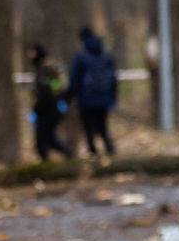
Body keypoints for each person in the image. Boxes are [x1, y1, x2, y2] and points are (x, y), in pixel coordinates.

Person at [67, 26, 118, 158]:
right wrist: (112, 99)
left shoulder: (81, 57)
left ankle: (93, 154)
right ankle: (110, 151)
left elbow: (74, 81)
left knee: (88, 128)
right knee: (103, 127)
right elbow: (113, 79)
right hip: (104, 98)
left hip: (86, 100)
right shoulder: (106, 56)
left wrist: (67, 99)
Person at [28, 44, 71, 161]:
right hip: (51, 110)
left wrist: (36, 110)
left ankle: (65, 158)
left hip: (47, 111)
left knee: (44, 140)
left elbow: (46, 93)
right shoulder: (48, 69)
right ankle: (65, 157)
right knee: (47, 139)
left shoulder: (46, 71)